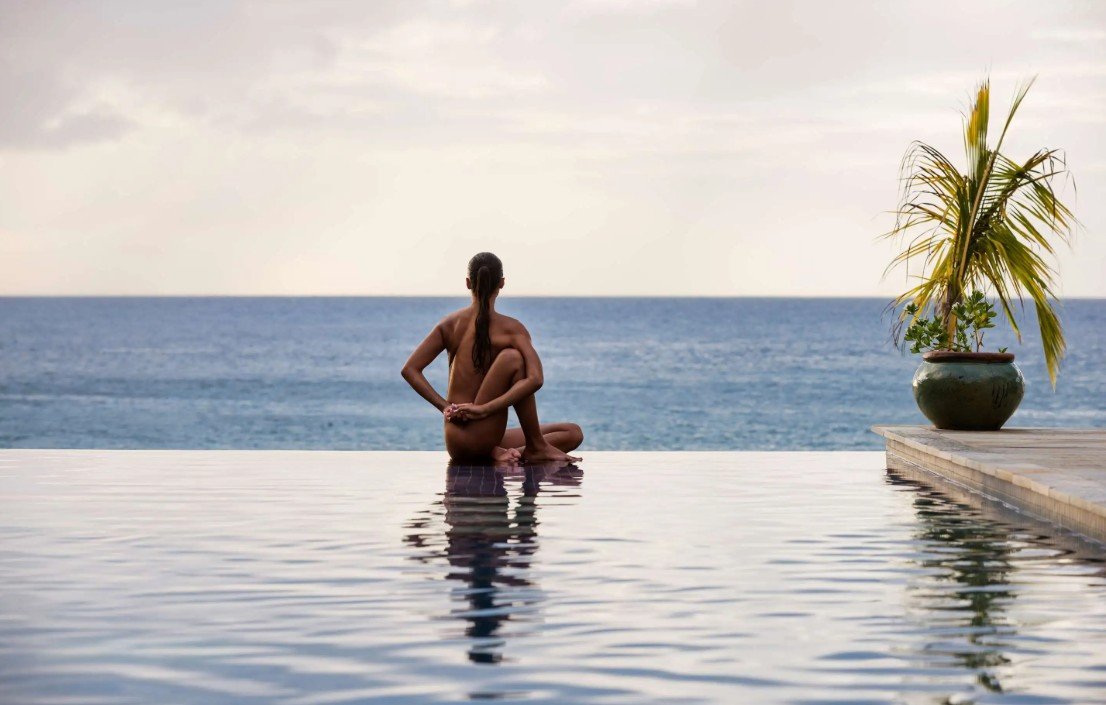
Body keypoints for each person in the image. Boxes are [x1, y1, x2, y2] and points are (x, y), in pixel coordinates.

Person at [401, 252, 583, 464]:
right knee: (513, 358)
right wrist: (483, 410)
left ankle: (499, 452)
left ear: (468, 283)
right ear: (502, 283)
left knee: (572, 432)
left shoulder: (449, 324)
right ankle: (533, 447)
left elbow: (410, 369)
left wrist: (445, 407)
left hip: (457, 442)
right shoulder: (512, 329)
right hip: (478, 436)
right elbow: (536, 379)